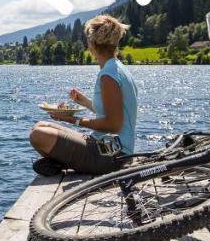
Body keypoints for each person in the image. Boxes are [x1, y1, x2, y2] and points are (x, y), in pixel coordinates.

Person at [29, 14, 138, 176]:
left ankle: (60, 163)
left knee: (37, 135)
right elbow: (110, 112)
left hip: (112, 156)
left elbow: (114, 125)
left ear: (92, 44)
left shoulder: (109, 75)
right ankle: (60, 162)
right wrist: (85, 102)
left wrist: (74, 120)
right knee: (40, 126)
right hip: (108, 147)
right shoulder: (116, 68)